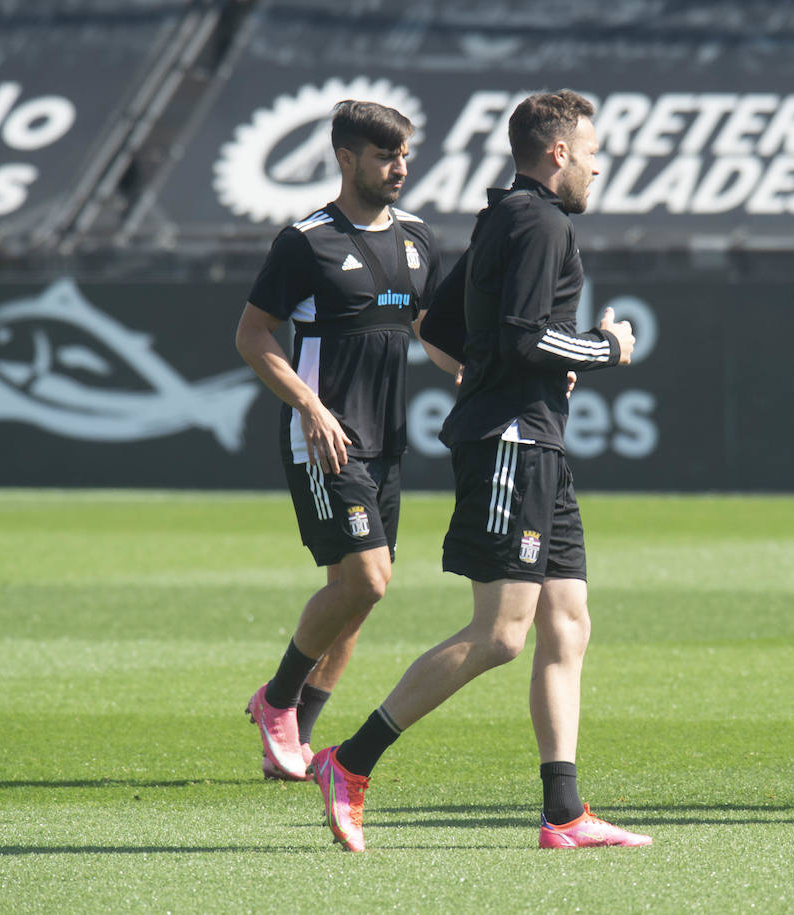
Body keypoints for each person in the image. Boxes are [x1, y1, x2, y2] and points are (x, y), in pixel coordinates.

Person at [306, 89, 651, 852]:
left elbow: (450, 325)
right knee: (501, 634)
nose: (598, 165)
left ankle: (563, 812)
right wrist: (604, 349)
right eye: (591, 150)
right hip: (512, 444)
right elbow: (530, 335)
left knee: (568, 622)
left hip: (533, 439)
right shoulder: (539, 222)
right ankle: (349, 763)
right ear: (557, 153)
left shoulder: (503, 216)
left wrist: (502, 369)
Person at [236, 100, 457, 782]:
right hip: (325, 438)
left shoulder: (418, 239)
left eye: (404, 155)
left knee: (358, 596)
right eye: (385, 156)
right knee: (368, 577)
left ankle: (291, 743)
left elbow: (434, 332)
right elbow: (252, 335)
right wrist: (308, 404)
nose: (400, 167)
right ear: (345, 159)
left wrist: (478, 373)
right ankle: (276, 700)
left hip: (386, 442)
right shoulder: (306, 242)